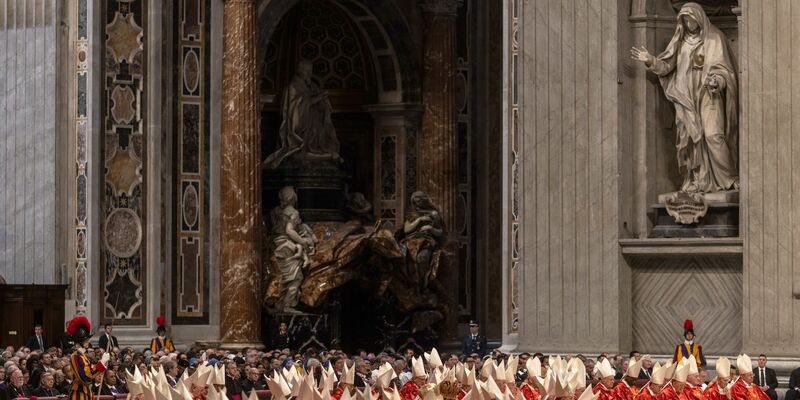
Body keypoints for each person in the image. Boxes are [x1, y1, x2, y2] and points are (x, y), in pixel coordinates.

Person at [630, 1, 739, 193]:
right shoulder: (680, 41)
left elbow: (725, 71)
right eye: (685, 20)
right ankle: (695, 180)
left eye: (691, 19)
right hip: (685, 99)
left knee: (714, 136)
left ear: (700, 18)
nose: (689, 24)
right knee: (688, 140)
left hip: (708, 96)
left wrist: (717, 81)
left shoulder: (715, 38)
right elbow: (666, 67)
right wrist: (650, 60)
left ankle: (728, 178)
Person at [263, 60, 341, 169]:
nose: (309, 73)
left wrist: (323, 101)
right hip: (303, 125)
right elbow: (295, 109)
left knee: (321, 136)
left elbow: (321, 104)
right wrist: (316, 99)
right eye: (307, 70)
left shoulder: (313, 86)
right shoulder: (293, 86)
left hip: (315, 123)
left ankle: (316, 148)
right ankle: (303, 148)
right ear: (300, 71)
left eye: (310, 70)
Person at [67, 315, 110, 400]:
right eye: (86, 341)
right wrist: (101, 363)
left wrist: (102, 362)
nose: (88, 342)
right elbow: (86, 377)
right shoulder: (76, 356)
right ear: (80, 342)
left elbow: (90, 370)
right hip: (79, 396)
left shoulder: (82, 355)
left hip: (86, 393)